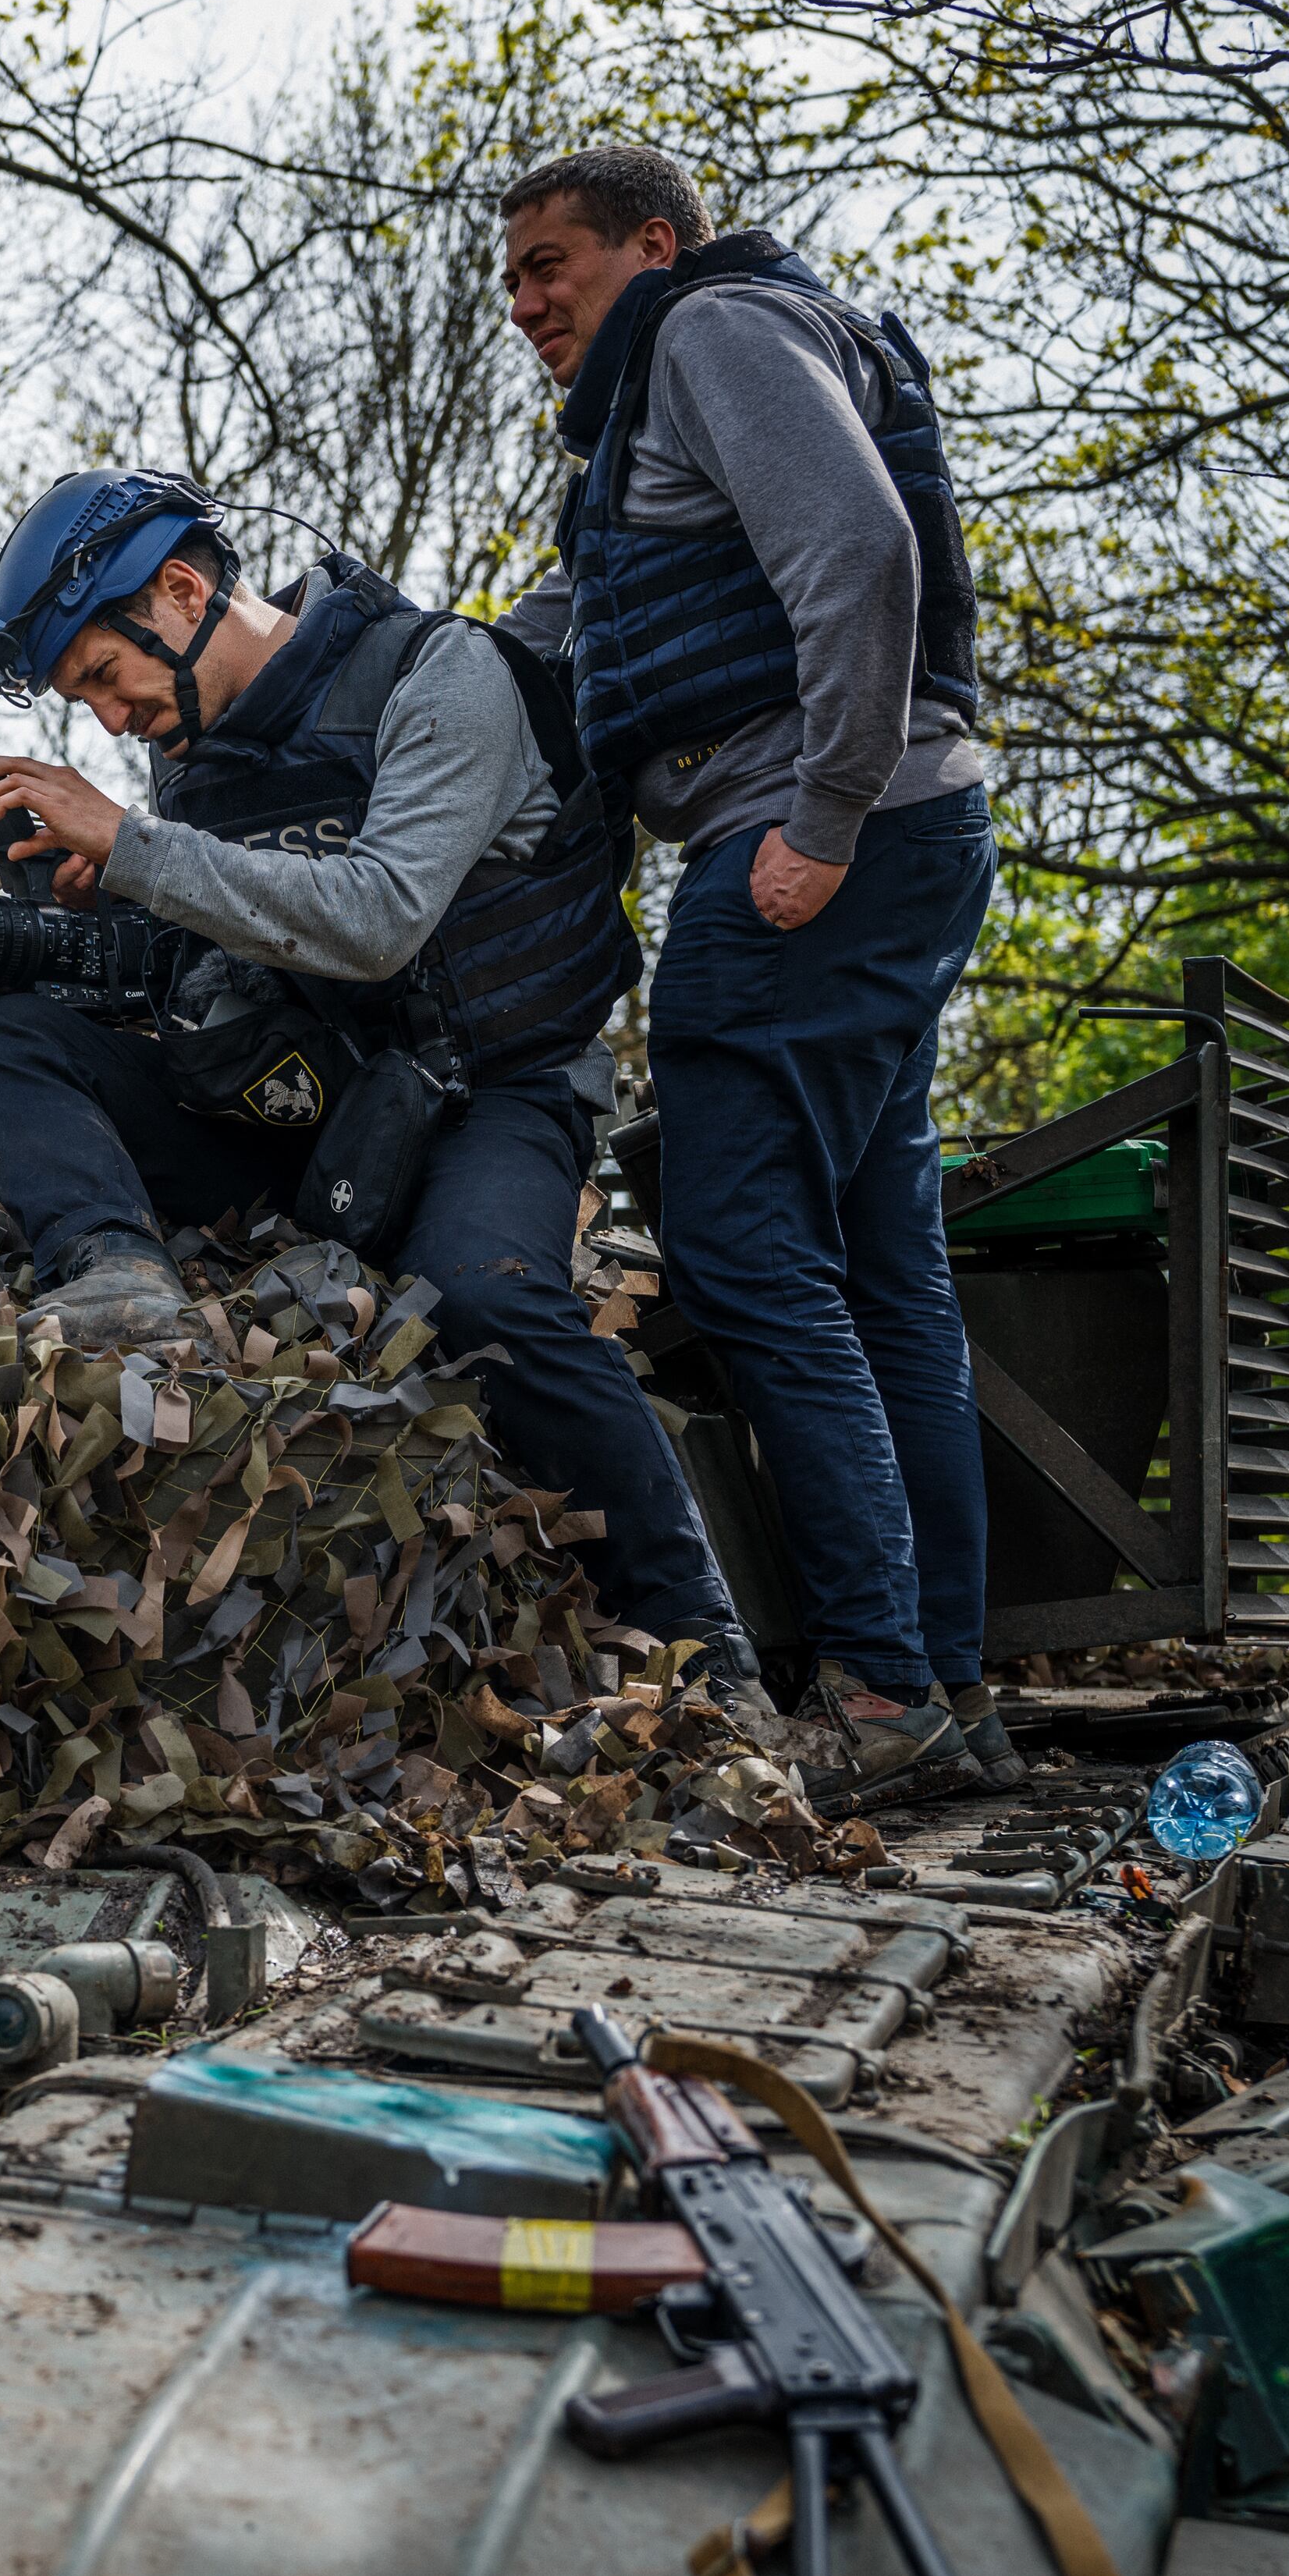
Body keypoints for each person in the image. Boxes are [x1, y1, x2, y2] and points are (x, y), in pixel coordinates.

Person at [0, 469, 762, 1692]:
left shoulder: (442, 677)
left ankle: (707, 1648)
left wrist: (142, 850)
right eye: (85, 701)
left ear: (183, 589)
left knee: (482, 1298)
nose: (110, 722)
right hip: (311, 1103)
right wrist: (108, 896)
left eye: (108, 678)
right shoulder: (192, 758)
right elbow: (221, 946)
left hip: (497, 1095)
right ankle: (117, 1272)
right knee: (3, 1040)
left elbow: (377, 918)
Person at [492, 144, 1011, 1813]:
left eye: (549, 264)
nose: (525, 305)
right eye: (508, 279)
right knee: (883, 1271)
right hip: (896, 840)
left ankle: (873, 1690)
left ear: (653, 244)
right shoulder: (706, 369)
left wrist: (820, 816)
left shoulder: (713, 330)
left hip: (805, 850)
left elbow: (859, 549)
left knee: (743, 1249)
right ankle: (939, 1680)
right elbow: (576, 621)